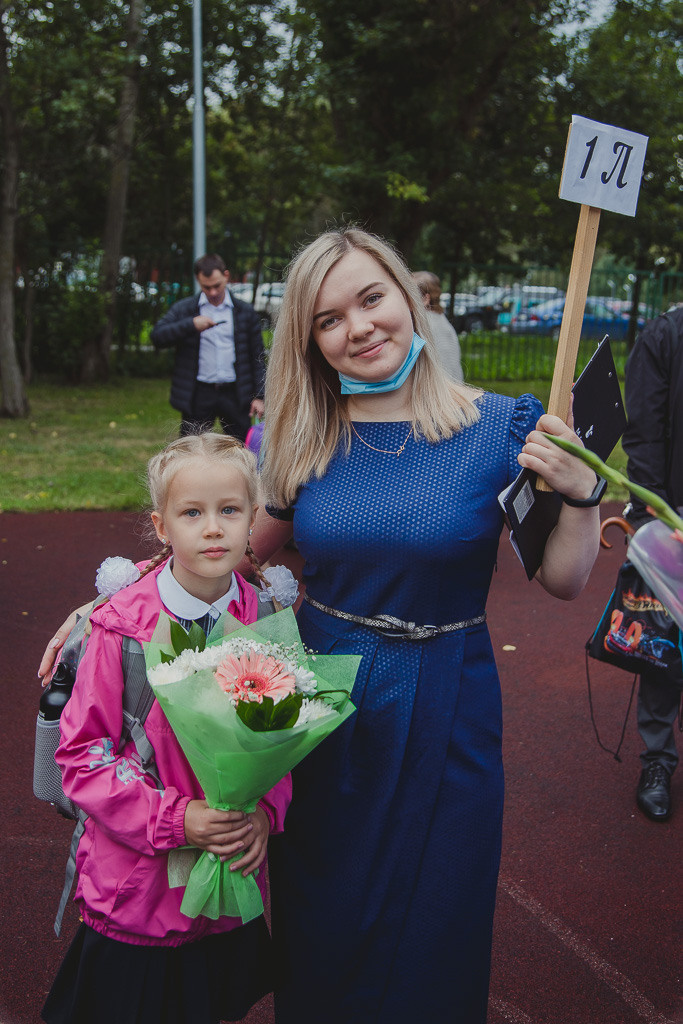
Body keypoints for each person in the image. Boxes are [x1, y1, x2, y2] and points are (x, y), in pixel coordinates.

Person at [40, 228, 601, 1024]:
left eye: (371, 299)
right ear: (310, 342)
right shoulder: (306, 435)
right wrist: (107, 602)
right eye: (328, 319)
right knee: (325, 917)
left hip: (449, 703)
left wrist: (580, 495)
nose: (358, 327)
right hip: (320, 703)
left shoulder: (502, 426)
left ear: (405, 295)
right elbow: (234, 555)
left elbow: (564, 580)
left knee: (439, 914)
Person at [41, 433, 291, 1024]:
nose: (213, 529)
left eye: (230, 510)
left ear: (254, 521)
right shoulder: (120, 629)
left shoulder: (266, 617)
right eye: (192, 513)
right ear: (161, 526)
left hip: (222, 879)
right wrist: (178, 821)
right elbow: (81, 757)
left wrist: (263, 814)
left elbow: (281, 740)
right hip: (137, 887)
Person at [622, 306, 683, 822]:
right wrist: (654, 515)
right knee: (665, 643)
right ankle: (658, 759)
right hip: (674, 517)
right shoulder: (667, 334)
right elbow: (643, 430)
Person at [151, 254, 266, 441]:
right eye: (206, 287)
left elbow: (257, 357)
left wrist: (260, 396)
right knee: (191, 449)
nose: (212, 292)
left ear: (226, 276)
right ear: (198, 280)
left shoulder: (245, 312)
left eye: (217, 286)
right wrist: (191, 325)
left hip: (235, 393)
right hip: (199, 393)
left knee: (243, 449)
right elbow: (157, 336)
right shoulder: (186, 309)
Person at [412, 270, 464, 382]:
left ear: (425, 299)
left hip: (440, 388)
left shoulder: (425, 324)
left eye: (410, 294)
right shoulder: (440, 320)